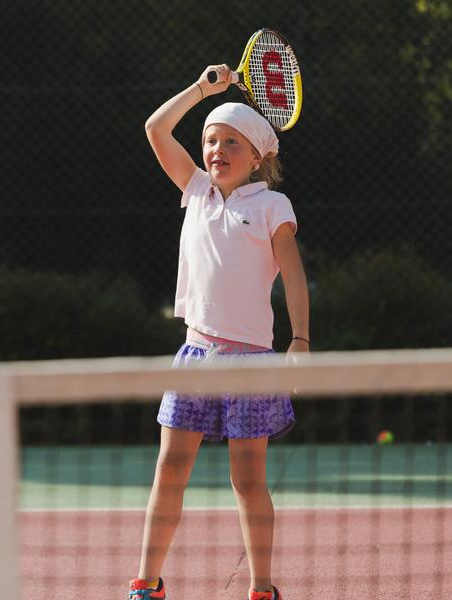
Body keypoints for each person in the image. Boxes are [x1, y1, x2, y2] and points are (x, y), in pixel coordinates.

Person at [127, 64, 310, 600]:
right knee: (169, 471)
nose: (217, 149)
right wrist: (203, 90)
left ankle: (260, 589)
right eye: (210, 140)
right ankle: (147, 583)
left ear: (258, 156)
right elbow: (156, 130)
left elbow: (293, 273)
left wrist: (299, 341)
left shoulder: (274, 206)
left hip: (252, 364)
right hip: (195, 354)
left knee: (248, 482)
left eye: (231, 141)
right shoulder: (198, 192)